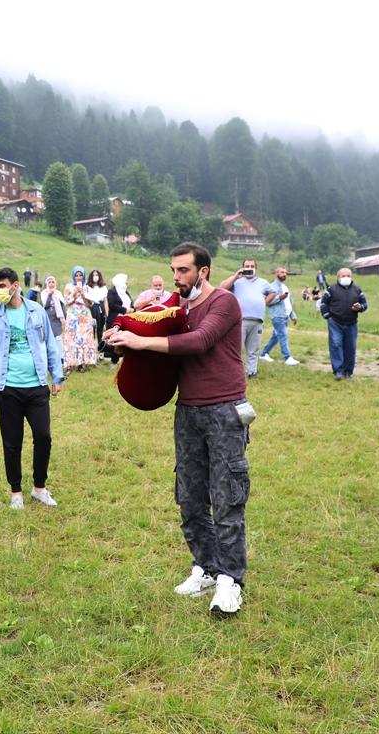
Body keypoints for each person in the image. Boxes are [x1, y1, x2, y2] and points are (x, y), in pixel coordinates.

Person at [104, 242, 250, 617]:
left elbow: (199, 341)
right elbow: (151, 328)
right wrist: (126, 344)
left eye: (183, 270)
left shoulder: (223, 303)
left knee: (227, 495)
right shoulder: (177, 306)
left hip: (224, 411)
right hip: (188, 410)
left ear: (203, 271)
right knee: (189, 496)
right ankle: (206, 566)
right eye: (173, 270)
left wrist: (141, 340)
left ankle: (230, 581)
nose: (176, 277)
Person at [0, 267, 65, 510]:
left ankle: (39, 488)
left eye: (3, 286)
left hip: (36, 386)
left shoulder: (36, 311)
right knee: (12, 442)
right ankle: (16, 492)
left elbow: (50, 345)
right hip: (7, 389)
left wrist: (56, 375)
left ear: (15, 286)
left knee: (44, 437)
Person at [219, 258, 276, 378]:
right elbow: (222, 288)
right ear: (243, 267)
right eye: (247, 266)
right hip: (240, 320)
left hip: (257, 320)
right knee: (237, 348)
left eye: (252, 266)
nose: (249, 268)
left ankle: (252, 372)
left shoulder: (263, 282)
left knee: (253, 349)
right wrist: (235, 276)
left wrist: (264, 302)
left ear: (256, 268)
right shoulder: (237, 281)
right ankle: (235, 372)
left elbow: (272, 292)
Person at [320, 268, 368, 380]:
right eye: (343, 276)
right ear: (338, 277)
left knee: (350, 347)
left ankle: (348, 372)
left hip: (352, 323)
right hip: (335, 322)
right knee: (336, 345)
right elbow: (323, 303)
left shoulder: (357, 290)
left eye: (348, 275)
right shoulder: (331, 289)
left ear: (351, 277)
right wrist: (327, 316)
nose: (345, 277)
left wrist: (360, 307)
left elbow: (365, 304)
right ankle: (338, 371)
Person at [259, 266, 301, 366]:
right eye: (282, 272)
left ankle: (264, 354)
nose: (284, 274)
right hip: (277, 315)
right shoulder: (271, 287)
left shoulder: (285, 287)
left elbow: (289, 302)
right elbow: (267, 302)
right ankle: (287, 357)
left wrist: (293, 315)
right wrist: (279, 298)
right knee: (283, 335)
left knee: (276, 336)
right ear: (276, 273)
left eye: (285, 273)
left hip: (285, 315)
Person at [63, 266, 98, 372]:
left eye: (80, 275)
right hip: (73, 315)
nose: (78, 277)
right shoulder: (68, 286)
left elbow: (90, 304)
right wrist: (74, 293)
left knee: (85, 338)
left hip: (84, 314)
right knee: (72, 338)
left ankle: (82, 363)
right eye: (76, 275)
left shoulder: (87, 287)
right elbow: (66, 302)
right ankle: (70, 363)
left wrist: (83, 294)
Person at [103, 273, 132, 368]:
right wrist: (125, 310)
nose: (127, 282)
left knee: (125, 339)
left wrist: (132, 309)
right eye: (126, 280)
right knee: (115, 340)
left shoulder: (125, 291)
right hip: (115, 319)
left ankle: (124, 361)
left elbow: (131, 302)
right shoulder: (111, 292)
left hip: (126, 319)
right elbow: (111, 305)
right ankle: (114, 362)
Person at [85, 269, 109, 345]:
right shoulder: (87, 287)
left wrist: (106, 313)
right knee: (93, 327)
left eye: (97, 275)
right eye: (94, 275)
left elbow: (105, 301)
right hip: (93, 307)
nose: (95, 277)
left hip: (101, 307)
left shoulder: (103, 287)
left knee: (100, 327)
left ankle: (100, 345)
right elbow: (86, 299)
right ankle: (91, 344)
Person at [39, 275, 65, 340]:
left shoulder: (58, 293)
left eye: (53, 282)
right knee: (49, 334)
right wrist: (50, 294)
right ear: (47, 284)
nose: (51, 284)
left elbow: (63, 305)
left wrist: (64, 316)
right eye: (49, 282)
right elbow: (46, 304)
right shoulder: (44, 293)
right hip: (48, 316)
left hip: (57, 317)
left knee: (58, 336)